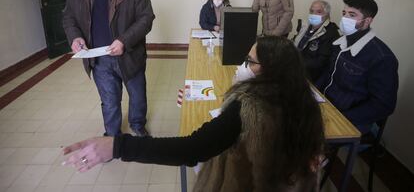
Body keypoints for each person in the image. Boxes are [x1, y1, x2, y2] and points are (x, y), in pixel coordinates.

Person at [63, 36, 325, 192]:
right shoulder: (306, 103)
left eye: (250, 61)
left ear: (270, 70)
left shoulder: (247, 107)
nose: (244, 65)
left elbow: (191, 149)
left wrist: (118, 146)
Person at [62, 0, 155, 137]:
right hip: (98, 57)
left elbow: (146, 18)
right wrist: (75, 36)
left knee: (137, 97)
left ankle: (137, 125)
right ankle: (112, 136)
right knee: (109, 99)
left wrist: (124, 40)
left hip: (129, 54)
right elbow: (69, 15)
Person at [316, 0, 398, 134]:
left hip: (352, 117)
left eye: (352, 15)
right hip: (327, 105)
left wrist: (339, 118)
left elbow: (383, 105)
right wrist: (313, 93)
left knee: (304, 137)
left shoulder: (382, 58)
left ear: (367, 21)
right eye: (344, 13)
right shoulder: (340, 44)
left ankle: (321, 155)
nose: (345, 19)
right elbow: (328, 73)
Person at [293, 0, 340, 81]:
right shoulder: (305, 25)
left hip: (310, 73)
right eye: (311, 11)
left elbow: (321, 62)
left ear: (327, 14)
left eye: (319, 12)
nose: (313, 14)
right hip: (295, 65)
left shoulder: (331, 33)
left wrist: (296, 63)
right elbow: (294, 42)